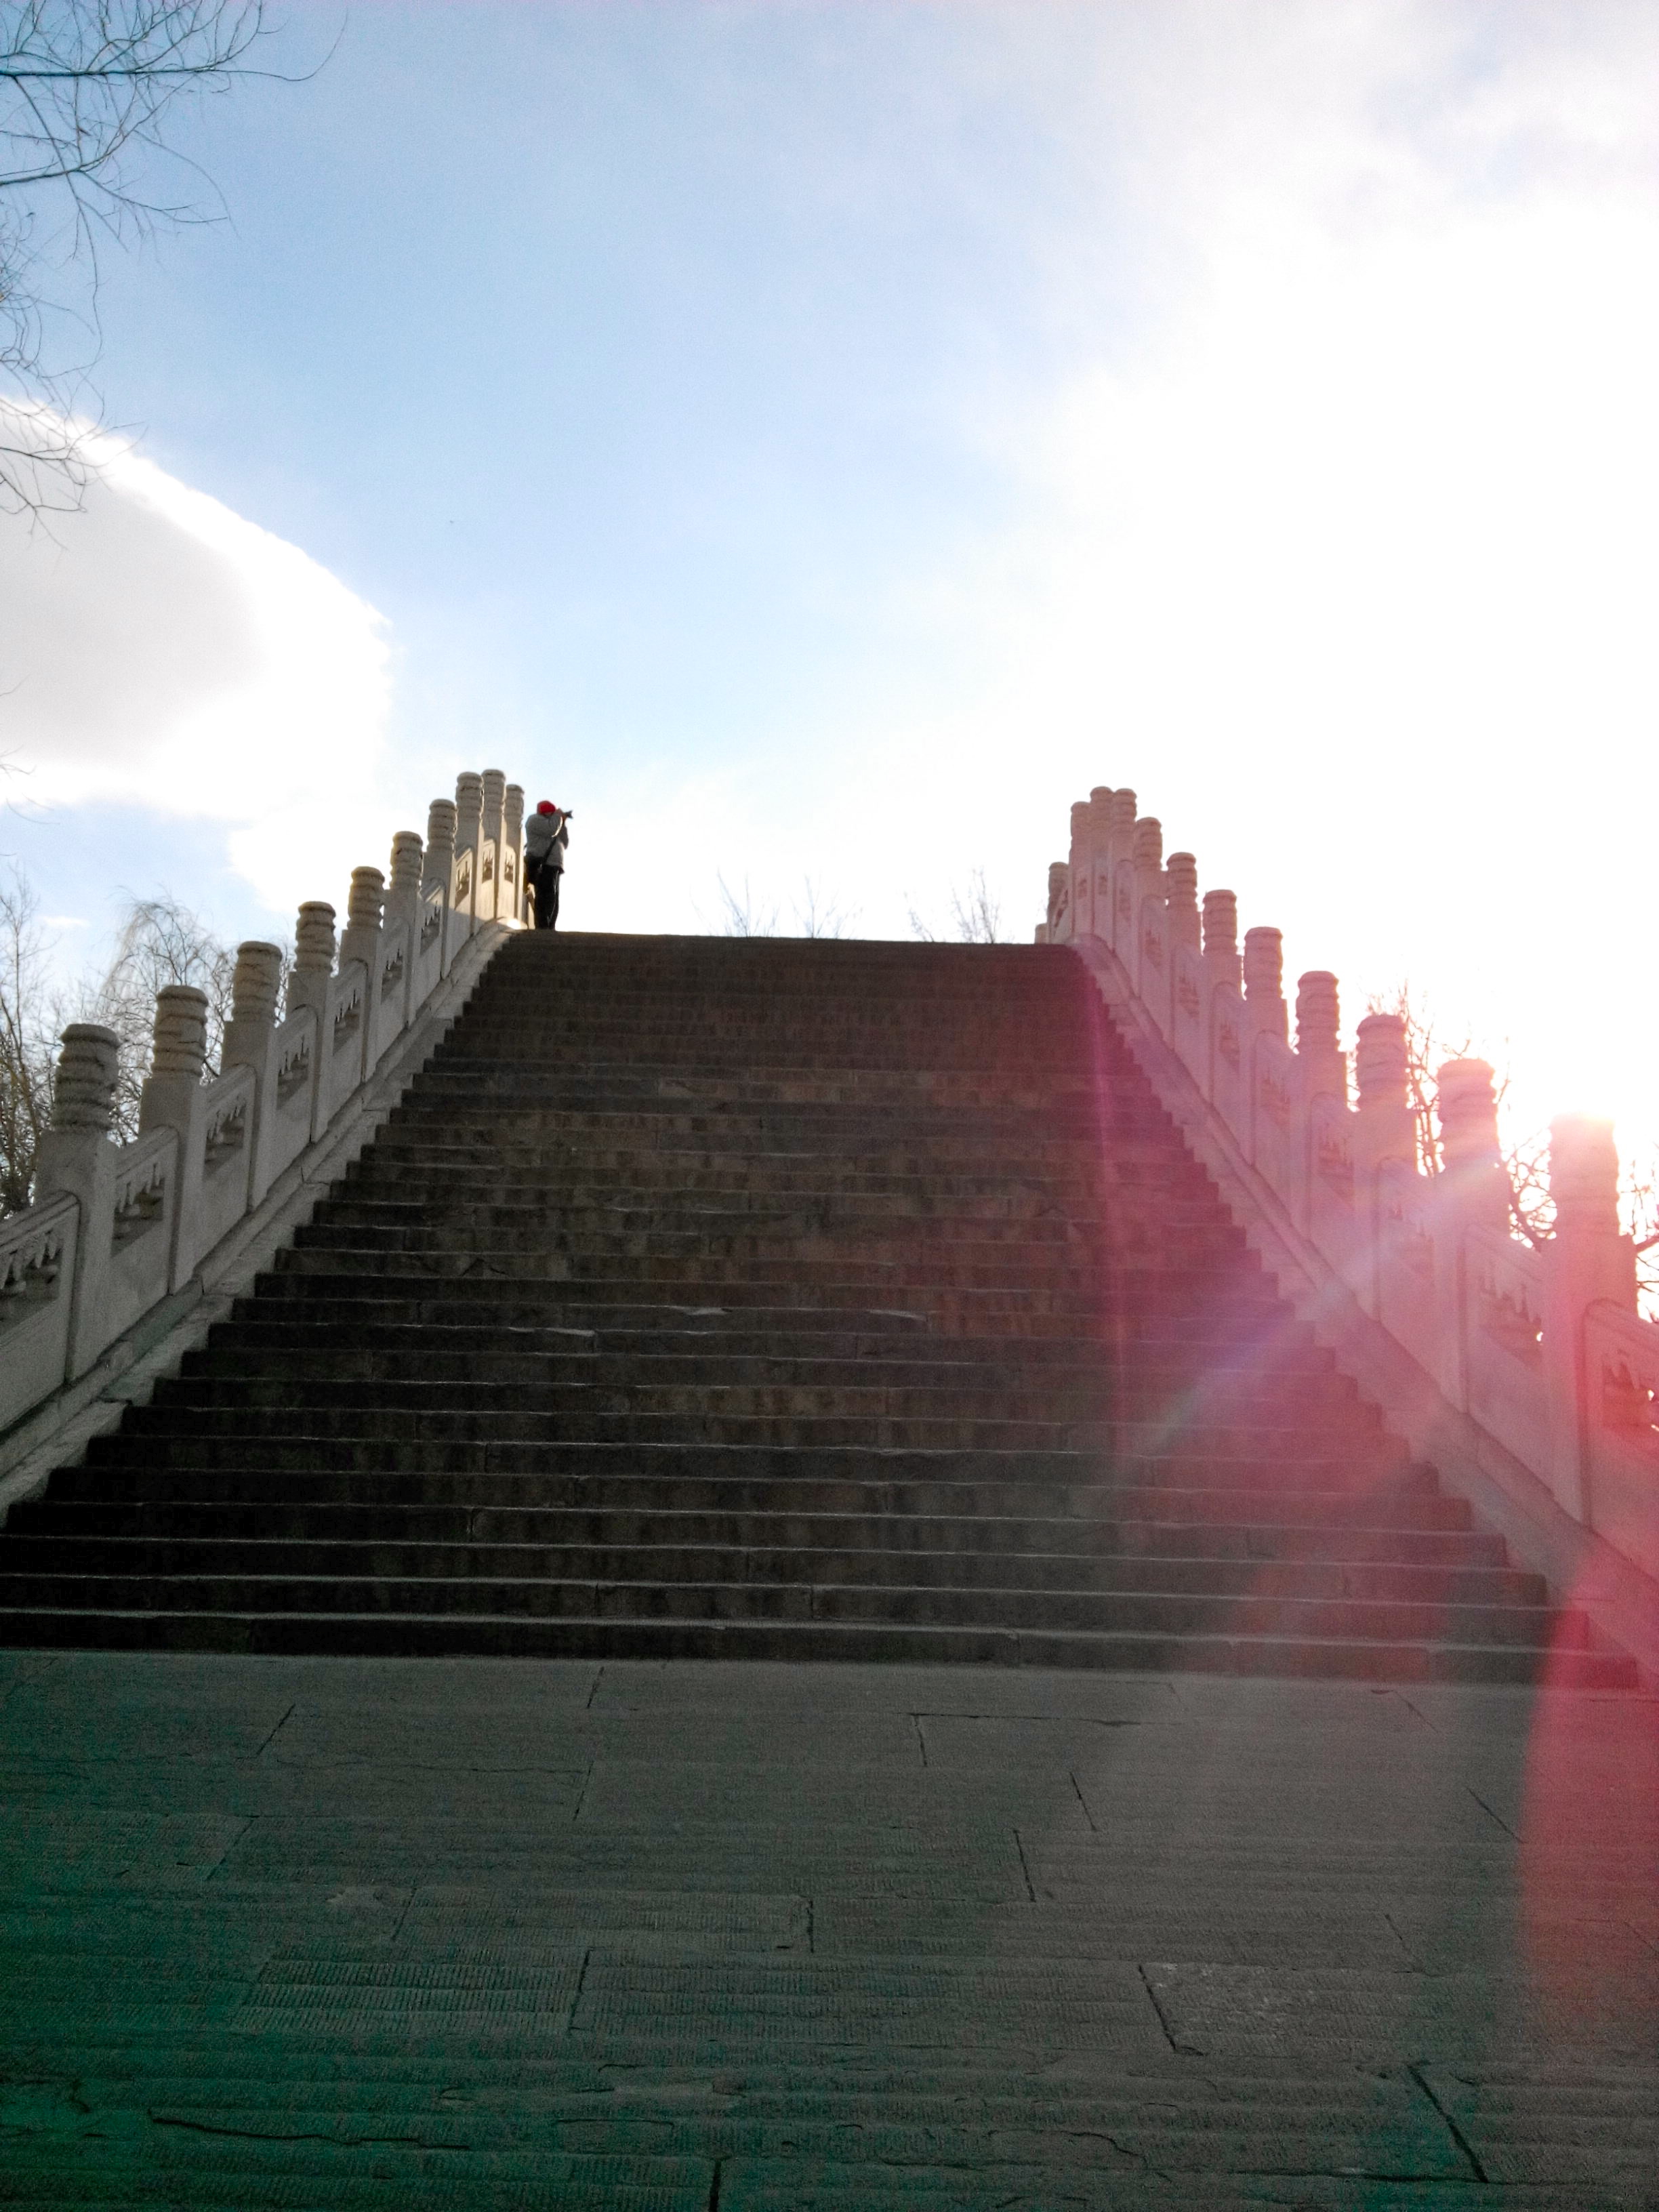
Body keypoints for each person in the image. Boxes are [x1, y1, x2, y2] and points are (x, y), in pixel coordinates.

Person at [524, 800, 569, 930]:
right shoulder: (535, 820)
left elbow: (565, 842)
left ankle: (550, 927)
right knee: (545, 896)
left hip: (554, 865)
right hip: (542, 864)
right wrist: (558, 817)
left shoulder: (554, 822)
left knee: (553, 897)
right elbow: (552, 830)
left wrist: (563, 824)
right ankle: (542, 927)